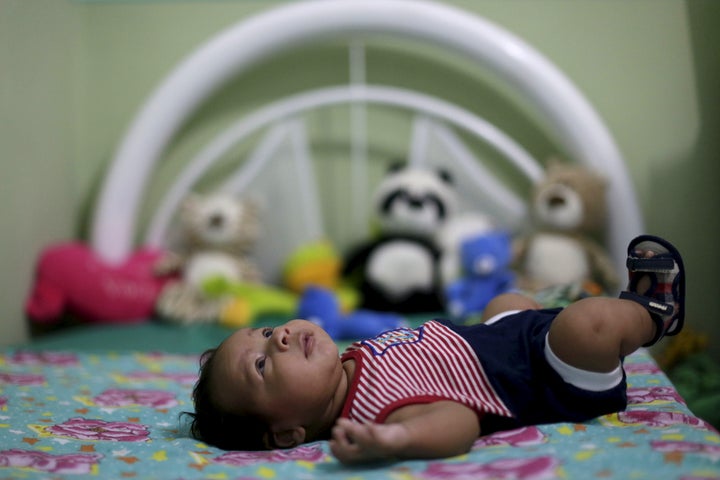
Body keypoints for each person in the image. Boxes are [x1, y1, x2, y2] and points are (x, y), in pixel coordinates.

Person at [185, 235, 685, 464]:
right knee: (590, 324)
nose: (282, 339)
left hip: (504, 334)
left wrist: (515, 321)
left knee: (505, 300)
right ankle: (652, 316)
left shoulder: (349, 362)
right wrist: (398, 444)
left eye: (268, 334)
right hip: (547, 373)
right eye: (263, 364)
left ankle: (540, 309)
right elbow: (459, 425)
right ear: (289, 433)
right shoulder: (374, 415)